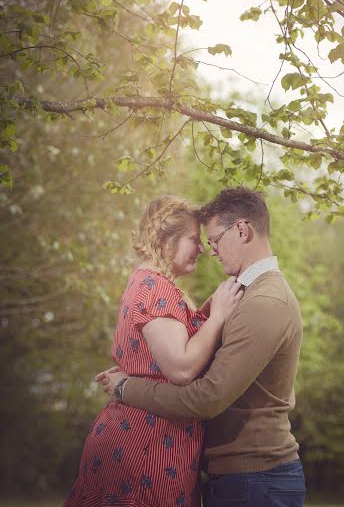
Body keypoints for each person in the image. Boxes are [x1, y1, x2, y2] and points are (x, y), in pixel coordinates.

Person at [97, 186, 306, 507]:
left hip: (256, 479)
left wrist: (127, 388)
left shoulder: (264, 301)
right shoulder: (247, 293)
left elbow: (206, 398)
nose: (210, 251)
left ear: (242, 230)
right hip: (244, 477)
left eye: (214, 240)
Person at [64, 195, 243, 507]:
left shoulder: (151, 282)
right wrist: (217, 318)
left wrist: (208, 311)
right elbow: (182, 368)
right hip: (147, 446)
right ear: (164, 240)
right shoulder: (156, 288)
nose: (201, 249)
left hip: (152, 437)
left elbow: (176, 343)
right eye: (193, 240)